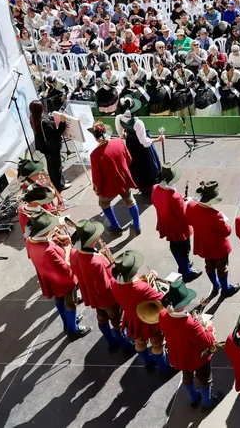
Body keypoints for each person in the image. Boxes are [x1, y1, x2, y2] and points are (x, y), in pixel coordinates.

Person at [68, 218, 133, 352]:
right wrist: (117, 279)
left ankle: (110, 341)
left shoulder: (74, 253)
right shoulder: (96, 262)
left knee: (101, 318)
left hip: (92, 294)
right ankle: (125, 346)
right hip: (107, 298)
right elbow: (103, 288)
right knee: (117, 322)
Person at [157, 279, 222, 411]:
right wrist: (209, 327)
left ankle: (193, 398)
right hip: (197, 357)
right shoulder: (190, 324)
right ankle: (207, 402)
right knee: (204, 379)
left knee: (187, 376)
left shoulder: (162, 314)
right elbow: (208, 342)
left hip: (178, 355)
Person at [24, 211, 91, 339]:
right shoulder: (49, 251)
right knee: (71, 303)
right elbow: (66, 266)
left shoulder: (29, 241)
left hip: (48, 277)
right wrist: (67, 249)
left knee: (59, 299)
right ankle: (73, 330)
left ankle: (67, 323)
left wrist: (54, 240)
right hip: (63, 280)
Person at [110, 249, 171, 372]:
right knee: (157, 344)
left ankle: (148, 363)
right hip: (149, 320)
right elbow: (161, 299)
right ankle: (164, 369)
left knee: (140, 342)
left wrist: (146, 277)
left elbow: (130, 287)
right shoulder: (141, 288)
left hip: (131, 319)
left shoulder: (113, 282)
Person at [187, 181, 240, 298]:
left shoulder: (191, 206)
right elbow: (227, 231)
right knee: (222, 268)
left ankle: (216, 285)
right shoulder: (216, 215)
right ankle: (225, 289)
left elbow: (189, 221)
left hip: (203, 244)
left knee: (209, 266)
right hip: (218, 247)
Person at [150, 165, 202, 282]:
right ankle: (187, 273)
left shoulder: (155, 188)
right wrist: (188, 203)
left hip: (166, 223)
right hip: (179, 228)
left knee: (174, 246)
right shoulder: (175, 197)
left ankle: (182, 265)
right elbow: (184, 215)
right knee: (184, 250)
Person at [88, 121, 140, 233]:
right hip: (123, 180)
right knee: (131, 201)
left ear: (96, 138)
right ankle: (137, 225)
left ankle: (115, 226)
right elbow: (129, 159)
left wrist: (97, 189)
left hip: (109, 185)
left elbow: (97, 176)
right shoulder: (119, 142)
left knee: (104, 203)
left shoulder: (95, 154)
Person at [115, 98, 163, 195]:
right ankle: (151, 188)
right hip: (141, 147)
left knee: (136, 165)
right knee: (147, 165)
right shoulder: (138, 122)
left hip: (130, 144)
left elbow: (121, 133)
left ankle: (141, 186)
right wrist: (158, 139)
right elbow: (144, 142)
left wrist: (127, 134)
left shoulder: (119, 118)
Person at [29, 100, 67, 191]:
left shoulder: (33, 119)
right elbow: (56, 134)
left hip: (45, 147)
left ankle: (55, 183)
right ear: (41, 109)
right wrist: (62, 122)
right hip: (52, 147)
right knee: (56, 167)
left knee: (51, 167)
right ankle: (59, 185)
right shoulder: (43, 122)